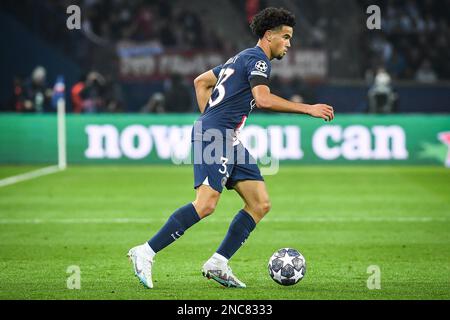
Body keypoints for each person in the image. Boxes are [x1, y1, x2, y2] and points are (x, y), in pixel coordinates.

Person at [127, 7, 334, 289]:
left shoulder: (240, 58)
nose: (289, 43)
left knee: (260, 203)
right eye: (285, 37)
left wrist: (210, 116)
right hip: (216, 135)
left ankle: (218, 263)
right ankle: (145, 252)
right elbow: (262, 100)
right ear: (268, 35)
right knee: (206, 204)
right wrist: (308, 108)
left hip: (226, 136)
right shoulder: (259, 61)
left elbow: (201, 82)